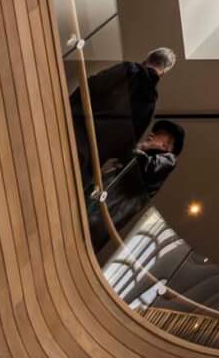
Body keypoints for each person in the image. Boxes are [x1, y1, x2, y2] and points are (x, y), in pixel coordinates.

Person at [68, 46, 175, 184]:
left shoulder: (129, 69)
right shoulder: (150, 103)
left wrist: (69, 106)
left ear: (146, 59)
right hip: (91, 158)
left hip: (74, 131)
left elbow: (93, 85)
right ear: (163, 73)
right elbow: (130, 141)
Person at [87, 119, 184, 251]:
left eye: (158, 134)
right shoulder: (138, 158)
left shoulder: (167, 161)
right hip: (91, 210)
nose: (151, 135)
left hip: (96, 220)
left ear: (166, 145)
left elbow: (145, 168)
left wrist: (141, 148)